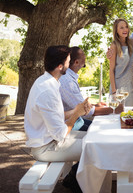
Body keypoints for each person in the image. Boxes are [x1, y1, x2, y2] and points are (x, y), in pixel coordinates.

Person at [24, 45, 92, 193]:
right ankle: (85, 187)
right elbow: (60, 134)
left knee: (94, 136)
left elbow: (57, 115)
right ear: (60, 66)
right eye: (68, 61)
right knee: (96, 149)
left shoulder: (47, 81)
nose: (70, 63)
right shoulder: (47, 90)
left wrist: (77, 109)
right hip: (45, 147)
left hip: (50, 138)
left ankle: (77, 181)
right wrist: (76, 114)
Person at [60, 46, 123, 121]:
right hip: (70, 123)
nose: (85, 56)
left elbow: (80, 106)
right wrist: (114, 109)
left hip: (75, 119)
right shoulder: (68, 81)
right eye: (83, 54)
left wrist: (95, 105)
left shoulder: (69, 77)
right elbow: (84, 111)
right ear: (76, 62)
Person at [109, 18, 133, 106]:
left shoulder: (132, 43)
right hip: (118, 87)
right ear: (116, 30)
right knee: (118, 116)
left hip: (130, 86)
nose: (125, 29)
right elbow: (111, 70)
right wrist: (114, 92)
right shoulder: (114, 45)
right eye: (121, 28)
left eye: (126, 27)